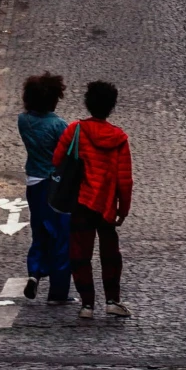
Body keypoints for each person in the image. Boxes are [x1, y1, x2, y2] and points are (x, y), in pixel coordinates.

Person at [56, 79, 132, 320]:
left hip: (81, 201)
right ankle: (112, 300)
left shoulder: (75, 130)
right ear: (111, 106)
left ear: (88, 103)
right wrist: (123, 208)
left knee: (80, 254)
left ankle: (87, 304)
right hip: (107, 204)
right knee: (110, 254)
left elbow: (58, 159)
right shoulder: (119, 138)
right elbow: (124, 179)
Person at [17, 72, 72, 303]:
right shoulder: (59, 125)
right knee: (61, 236)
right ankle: (58, 292)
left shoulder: (24, 121)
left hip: (33, 183)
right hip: (54, 186)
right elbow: (69, 154)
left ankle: (35, 272)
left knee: (39, 231)